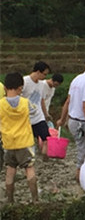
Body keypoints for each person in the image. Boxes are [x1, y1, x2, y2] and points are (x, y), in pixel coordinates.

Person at [1, 73, 39, 203]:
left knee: (10, 170)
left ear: (5, 87)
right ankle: (35, 199)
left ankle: (10, 200)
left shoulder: (0, 104)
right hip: (25, 142)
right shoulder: (25, 102)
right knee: (29, 168)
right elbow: (35, 111)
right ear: (20, 88)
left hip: (8, 143)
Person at [22, 61, 51, 159]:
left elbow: (41, 99)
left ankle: (45, 157)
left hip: (38, 116)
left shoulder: (41, 84)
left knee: (46, 137)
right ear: (38, 72)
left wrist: (45, 114)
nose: (45, 77)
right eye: (44, 74)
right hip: (26, 117)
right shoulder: (24, 81)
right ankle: (28, 158)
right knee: (28, 140)